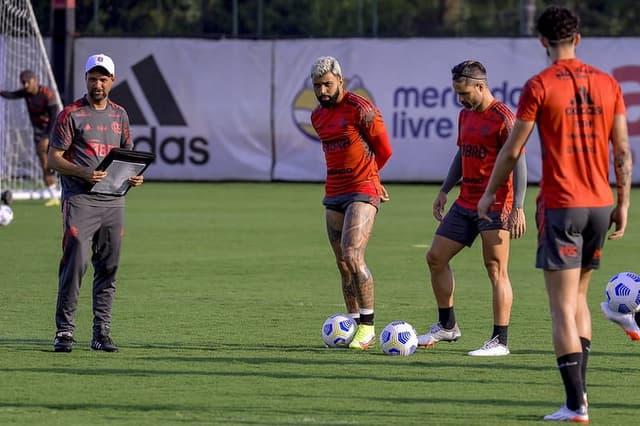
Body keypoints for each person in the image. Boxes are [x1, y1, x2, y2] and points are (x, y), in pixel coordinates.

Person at [477, 6, 631, 423]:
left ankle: (575, 404)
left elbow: (513, 149)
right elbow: (621, 150)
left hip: (563, 205)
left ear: (542, 41)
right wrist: (624, 203)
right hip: (600, 203)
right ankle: (580, 400)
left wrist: (491, 194)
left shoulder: (539, 85)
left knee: (562, 306)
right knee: (579, 297)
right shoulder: (607, 82)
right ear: (578, 38)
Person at [416, 60, 527, 356]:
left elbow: (519, 161)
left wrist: (518, 207)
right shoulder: (465, 115)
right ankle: (447, 326)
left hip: (496, 203)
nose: (460, 99)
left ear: (481, 86)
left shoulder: (504, 118)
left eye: (464, 93)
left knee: (496, 269)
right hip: (466, 201)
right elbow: (461, 153)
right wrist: (444, 189)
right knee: (435, 257)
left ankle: (500, 341)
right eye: (457, 93)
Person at [48, 53, 145, 353]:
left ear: (112, 81)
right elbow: (53, 158)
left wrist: (134, 175)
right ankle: (64, 331)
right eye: (93, 77)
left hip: (114, 200)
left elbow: (128, 154)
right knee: (75, 261)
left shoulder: (120, 115)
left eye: (103, 78)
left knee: (109, 266)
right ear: (86, 79)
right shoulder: (71, 114)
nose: (97, 83)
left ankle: (101, 333)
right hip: (80, 199)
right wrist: (83, 172)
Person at [310, 56, 393, 350]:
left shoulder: (362, 110)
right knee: (342, 264)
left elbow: (384, 149)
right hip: (334, 193)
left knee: (353, 254)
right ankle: (352, 321)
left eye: (328, 85)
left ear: (340, 81)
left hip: (362, 189)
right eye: (317, 86)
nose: (322, 91)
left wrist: (373, 179)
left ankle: (368, 328)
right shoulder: (317, 117)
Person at [1, 70, 61, 206]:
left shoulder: (47, 94)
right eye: (23, 82)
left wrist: (47, 136)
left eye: (28, 82)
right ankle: (54, 196)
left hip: (53, 129)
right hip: (38, 131)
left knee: (56, 158)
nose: (25, 85)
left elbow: (54, 116)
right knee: (44, 162)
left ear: (35, 80)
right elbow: (12, 95)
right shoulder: (26, 93)